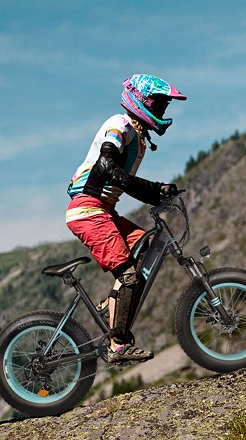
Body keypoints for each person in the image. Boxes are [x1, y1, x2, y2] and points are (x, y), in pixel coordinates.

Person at [66, 74, 186, 364]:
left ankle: (113, 303)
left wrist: (157, 192)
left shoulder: (138, 137)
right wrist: (154, 190)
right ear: (142, 102)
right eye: (158, 104)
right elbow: (107, 166)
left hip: (104, 210)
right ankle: (117, 345)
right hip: (89, 210)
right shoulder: (120, 124)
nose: (162, 110)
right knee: (130, 276)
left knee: (144, 246)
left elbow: (122, 179)